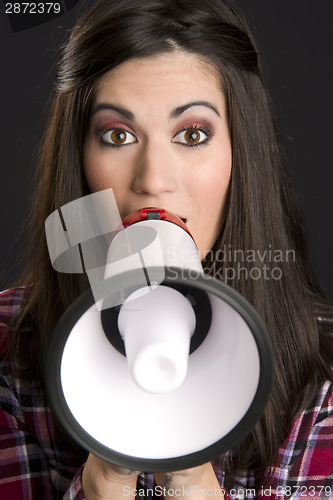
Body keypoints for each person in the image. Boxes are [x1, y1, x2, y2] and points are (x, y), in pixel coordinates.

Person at [0, 0, 332, 498]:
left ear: (241, 155)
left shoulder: (323, 378)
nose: (153, 181)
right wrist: (105, 481)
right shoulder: (7, 351)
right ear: (80, 159)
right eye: (118, 135)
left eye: (193, 134)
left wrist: (190, 473)